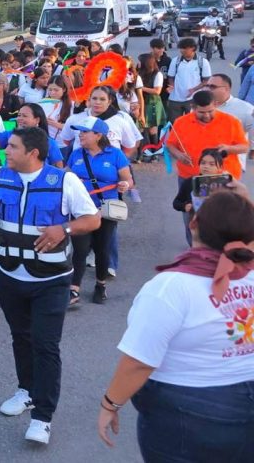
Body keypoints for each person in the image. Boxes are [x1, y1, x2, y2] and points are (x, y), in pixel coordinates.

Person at [0, 127, 100, 444]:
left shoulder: (64, 181)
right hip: (9, 276)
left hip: (51, 281)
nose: (6, 151)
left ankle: (42, 417)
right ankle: (26, 390)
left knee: (45, 345)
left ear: (33, 153)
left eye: (12, 147)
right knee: (21, 337)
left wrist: (64, 229)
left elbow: (92, 219)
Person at [97, 190, 254, 460]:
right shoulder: (248, 273)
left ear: (193, 224)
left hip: (185, 412)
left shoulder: (171, 287)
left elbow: (139, 361)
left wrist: (110, 403)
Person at [65, 117, 132, 307]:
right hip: (80, 209)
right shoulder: (76, 154)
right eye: (80, 132)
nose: (80, 135)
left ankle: (100, 284)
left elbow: (128, 179)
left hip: (105, 209)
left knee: (102, 248)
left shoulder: (115, 154)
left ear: (98, 135)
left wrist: (125, 185)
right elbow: (67, 175)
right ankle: (74, 288)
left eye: (85, 132)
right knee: (80, 249)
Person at [165, 90, 248, 184]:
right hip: (190, 177)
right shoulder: (181, 122)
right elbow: (170, 145)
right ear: (193, 107)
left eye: (210, 111)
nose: (207, 115)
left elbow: (244, 147)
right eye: (202, 112)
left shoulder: (231, 122)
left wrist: (229, 149)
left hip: (223, 177)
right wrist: (179, 155)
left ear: (215, 105)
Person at [172, 148, 228, 245]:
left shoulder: (225, 184)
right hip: (195, 225)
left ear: (220, 167)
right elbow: (176, 202)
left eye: (211, 164)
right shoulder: (190, 182)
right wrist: (184, 206)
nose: (206, 166)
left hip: (217, 227)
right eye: (203, 163)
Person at [0, 103, 63, 168]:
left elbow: (58, 168)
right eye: (19, 115)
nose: (19, 118)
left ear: (37, 120)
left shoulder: (49, 142)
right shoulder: (10, 135)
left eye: (25, 116)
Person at [206, 73, 254, 171]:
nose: (208, 89)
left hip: (230, 167)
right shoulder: (200, 107)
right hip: (203, 165)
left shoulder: (245, 109)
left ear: (227, 89)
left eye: (213, 87)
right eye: (207, 86)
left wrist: (252, 149)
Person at [166, 38, 212, 122]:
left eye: (184, 48)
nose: (182, 50)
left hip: (193, 99)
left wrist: (194, 89)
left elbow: (206, 81)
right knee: (174, 124)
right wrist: (171, 86)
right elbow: (171, 77)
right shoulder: (175, 61)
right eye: (181, 48)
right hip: (175, 98)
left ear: (193, 48)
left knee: (194, 123)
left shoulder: (202, 62)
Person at [136, 53, 165, 155]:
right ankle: (145, 151)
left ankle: (155, 153)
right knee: (142, 127)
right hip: (142, 101)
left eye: (140, 61)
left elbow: (157, 91)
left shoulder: (157, 74)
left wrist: (140, 88)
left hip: (152, 103)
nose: (138, 63)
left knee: (152, 129)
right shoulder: (139, 73)